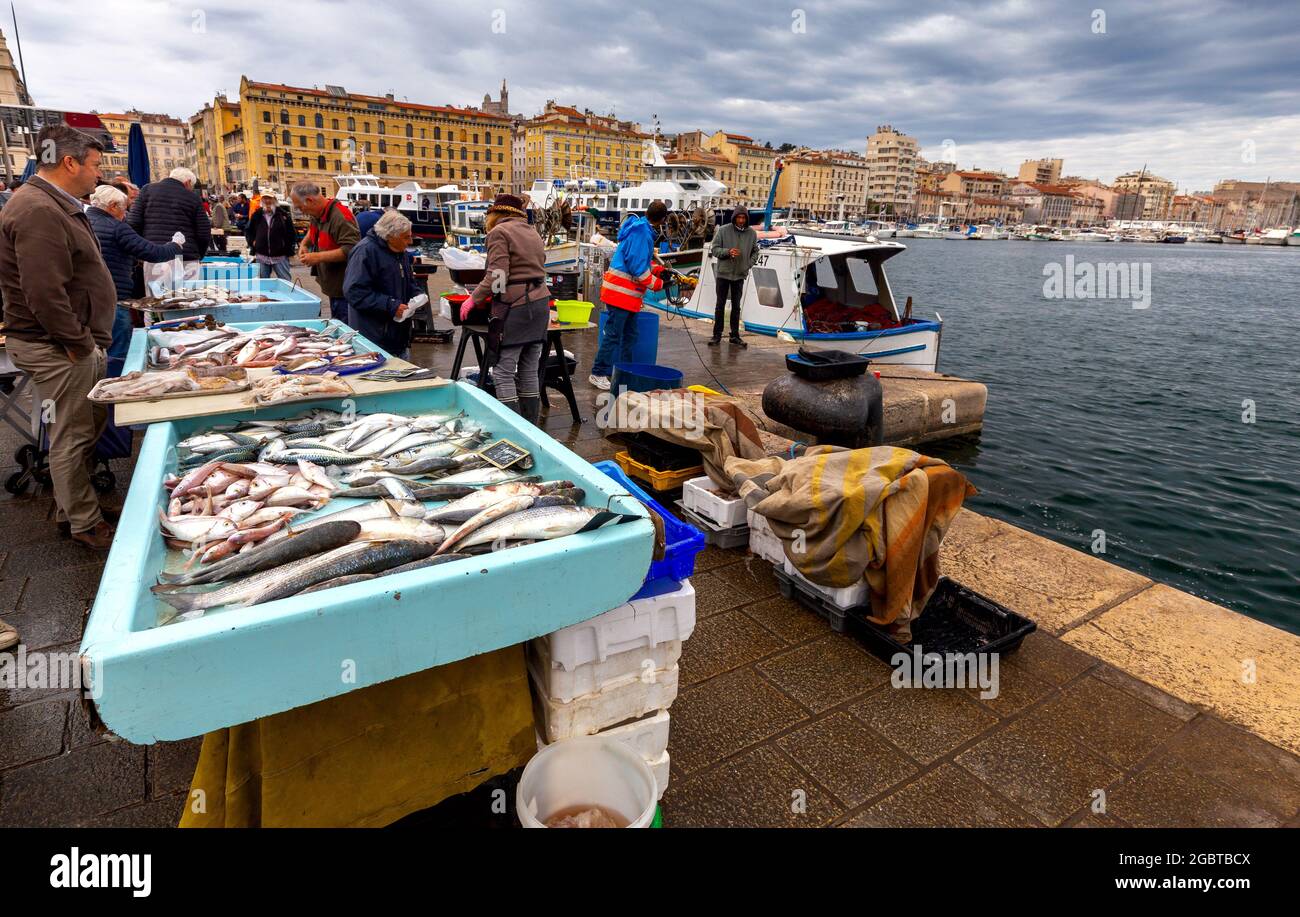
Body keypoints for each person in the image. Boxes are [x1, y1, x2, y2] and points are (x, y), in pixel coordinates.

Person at [0, 124, 118, 550]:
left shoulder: (50, 203)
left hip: (69, 342)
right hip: (58, 346)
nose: (97, 175)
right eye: (94, 165)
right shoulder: (38, 209)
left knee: (85, 426)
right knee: (73, 434)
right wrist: (78, 343)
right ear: (69, 163)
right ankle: (84, 523)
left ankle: (75, 507)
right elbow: (43, 291)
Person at [462, 193, 549, 421]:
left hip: (517, 307)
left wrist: (474, 299)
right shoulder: (532, 231)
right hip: (540, 304)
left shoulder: (499, 232)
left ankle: (513, 428)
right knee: (529, 369)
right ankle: (530, 426)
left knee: (503, 371)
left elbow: (497, 276)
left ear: (495, 214)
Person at [86, 185, 182, 364]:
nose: (125, 214)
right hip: (113, 296)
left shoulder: (83, 221)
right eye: (124, 208)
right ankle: (116, 384)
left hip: (88, 298)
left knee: (97, 347)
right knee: (118, 348)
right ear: (113, 206)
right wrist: (176, 245)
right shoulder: (116, 227)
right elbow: (152, 252)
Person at [589, 200, 669, 390]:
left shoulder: (638, 228)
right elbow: (637, 268)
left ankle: (625, 372)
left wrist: (657, 270)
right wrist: (659, 283)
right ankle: (598, 372)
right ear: (663, 219)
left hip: (624, 296)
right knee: (614, 335)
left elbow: (636, 261)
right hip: (621, 295)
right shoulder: (643, 233)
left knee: (630, 335)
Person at [343, 210, 418, 360]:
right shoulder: (365, 252)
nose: (410, 242)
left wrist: (417, 294)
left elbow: (407, 280)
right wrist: (390, 305)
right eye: (406, 237)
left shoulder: (399, 251)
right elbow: (354, 292)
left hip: (397, 337)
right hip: (374, 339)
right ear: (391, 237)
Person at [291, 182, 360, 322]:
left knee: (344, 326)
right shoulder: (317, 213)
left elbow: (352, 249)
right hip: (331, 286)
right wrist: (304, 244)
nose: (301, 211)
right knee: (336, 321)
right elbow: (313, 229)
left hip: (343, 290)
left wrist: (317, 257)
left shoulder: (341, 217)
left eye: (300, 207)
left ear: (310, 201)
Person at [126, 166, 211, 263]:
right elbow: (204, 232)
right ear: (187, 182)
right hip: (186, 256)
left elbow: (133, 222)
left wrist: (142, 249)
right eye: (191, 186)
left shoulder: (147, 190)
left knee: (156, 279)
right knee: (187, 279)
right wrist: (198, 254)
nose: (191, 189)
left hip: (153, 255)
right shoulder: (193, 198)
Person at [707, 206, 759, 348]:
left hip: (739, 275)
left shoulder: (752, 234)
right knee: (720, 305)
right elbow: (715, 249)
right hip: (723, 274)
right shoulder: (723, 230)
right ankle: (716, 335)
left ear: (746, 219)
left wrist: (748, 264)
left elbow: (756, 252)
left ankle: (735, 336)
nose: (741, 220)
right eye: (739, 217)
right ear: (734, 217)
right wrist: (728, 252)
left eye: (743, 218)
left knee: (736, 307)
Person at [244, 192, 296, 280]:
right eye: (265, 198)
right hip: (262, 256)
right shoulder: (257, 215)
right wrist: (252, 242)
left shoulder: (283, 215)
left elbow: (291, 233)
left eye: (270, 198)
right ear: (262, 201)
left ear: (274, 200)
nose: (267, 201)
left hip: (280, 256)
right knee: (263, 283)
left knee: (286, 282)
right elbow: (249, 230)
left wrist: (287, 247)